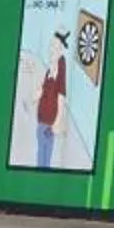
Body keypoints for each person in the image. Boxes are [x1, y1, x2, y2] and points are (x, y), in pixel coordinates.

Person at [33, 32, 70, 168]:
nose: (50, 49)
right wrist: (32, 98)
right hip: (41, 121)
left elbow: (61, 96)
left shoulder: (61, 66)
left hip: (49, 124)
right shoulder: (50, 69)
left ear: (60, 48)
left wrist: (57, 123)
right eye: (50, 46)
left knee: (45, 159)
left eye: (54, 46)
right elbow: (43, 90)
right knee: (41, 156)